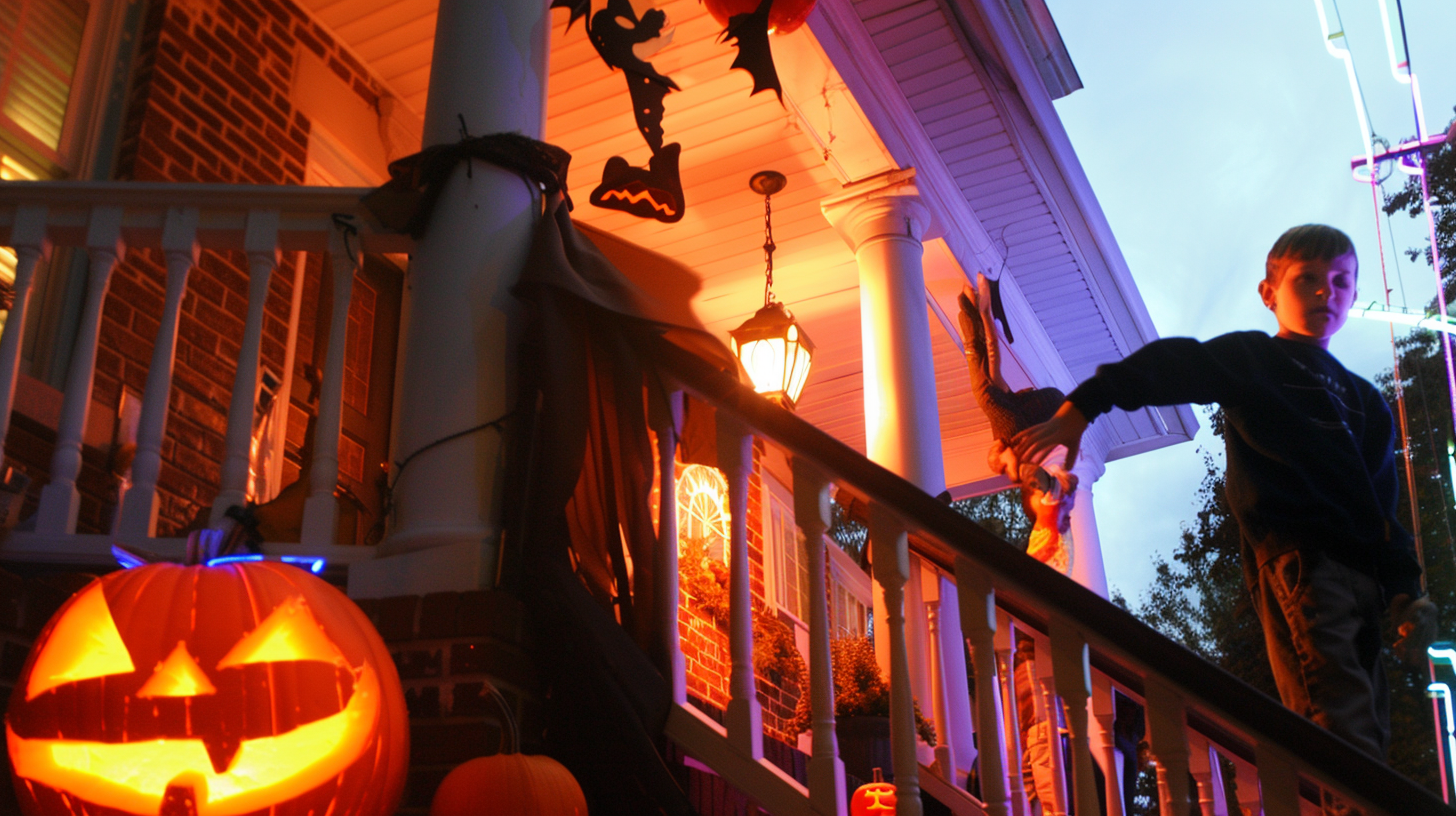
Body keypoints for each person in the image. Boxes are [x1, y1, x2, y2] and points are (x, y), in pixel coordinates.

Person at [1011, 224, 1438, 762]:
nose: (1327, 292)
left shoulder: (1366, 402)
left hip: (1365, 582)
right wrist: (1084, 406)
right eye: (1308, 280)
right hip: (1302, 562)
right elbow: (1173, 365)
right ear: (1270, 293)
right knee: (1336, 719)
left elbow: (1382, 506)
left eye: (1342, 281)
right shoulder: (1256, 361)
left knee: (1372, 726)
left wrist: (1404, 589)